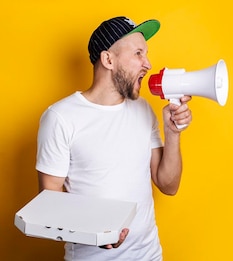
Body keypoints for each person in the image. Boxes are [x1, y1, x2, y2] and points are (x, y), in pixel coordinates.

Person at [36, 16, 192, 260]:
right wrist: (95, 232)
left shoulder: (143, 109)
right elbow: (50, 199)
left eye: (146, 54)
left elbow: (168, 185)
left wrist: (172, 133)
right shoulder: (60, 117)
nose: (148, 64)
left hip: (149, 255)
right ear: (108, 59)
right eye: (138, 53)